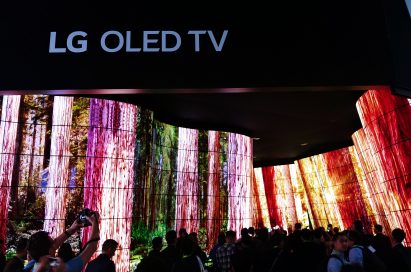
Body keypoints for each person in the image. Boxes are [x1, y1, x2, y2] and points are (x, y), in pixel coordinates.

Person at [28, 212, 100, 272]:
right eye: (53, 244)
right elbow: (92, 248)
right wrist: (94, 223)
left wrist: (71, 230)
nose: (56, 244)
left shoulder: (33, 264)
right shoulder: (64, 269)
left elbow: (54, 244)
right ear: (50, 251)